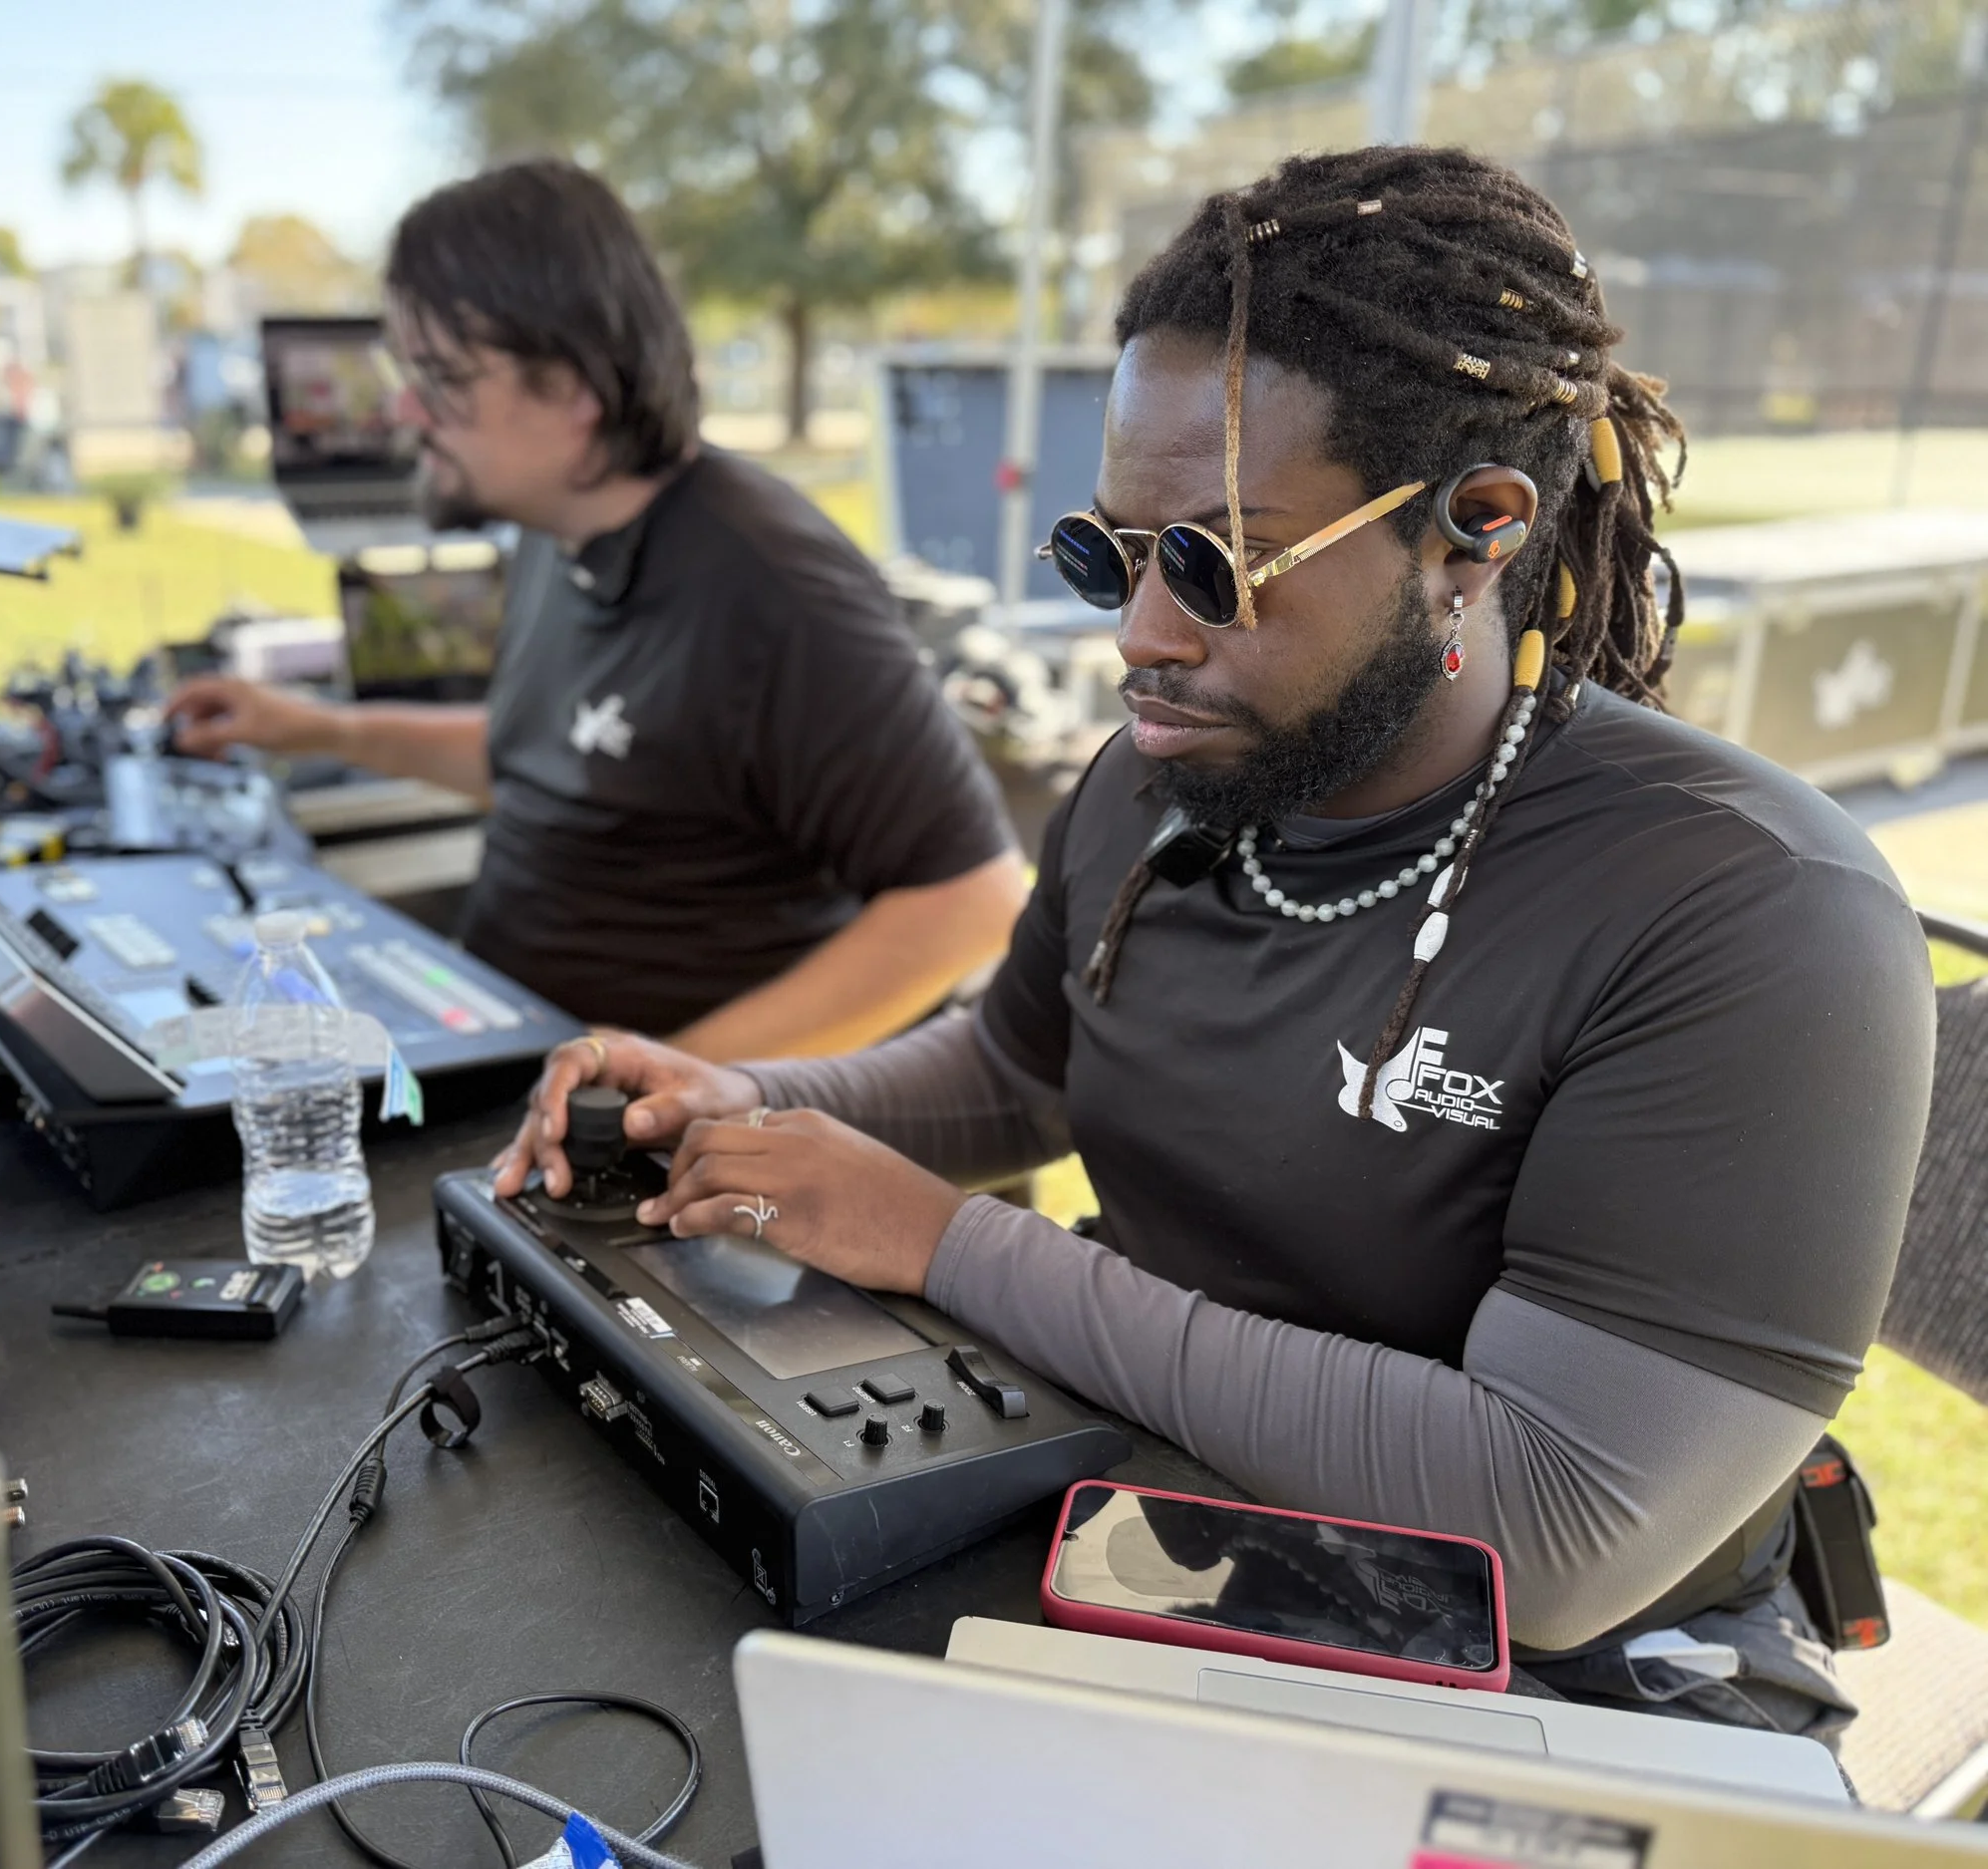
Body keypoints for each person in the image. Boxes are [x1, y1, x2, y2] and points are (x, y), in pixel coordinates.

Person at [496, 148, 1936, 1739]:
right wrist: (747, 1099)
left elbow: (1557, 1522)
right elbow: (1019, 1062)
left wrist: (951, 1243)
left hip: (1556, 1673)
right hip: (1166, 1518)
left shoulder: (1745, 908)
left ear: (1476, 527)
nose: (1140, 636)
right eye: (1109, 552)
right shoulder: (1163, 766)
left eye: (1214, 563)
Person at [168, 160, 1025, 1062]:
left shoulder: (774, 588)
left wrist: (660, 1086)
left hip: (663, 1149)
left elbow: (971, 902)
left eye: (442, 375)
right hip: (530, 1072)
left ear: (573, 387)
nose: (407, 409)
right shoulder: (555, 530)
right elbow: (550, 756)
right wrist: (313, 729)